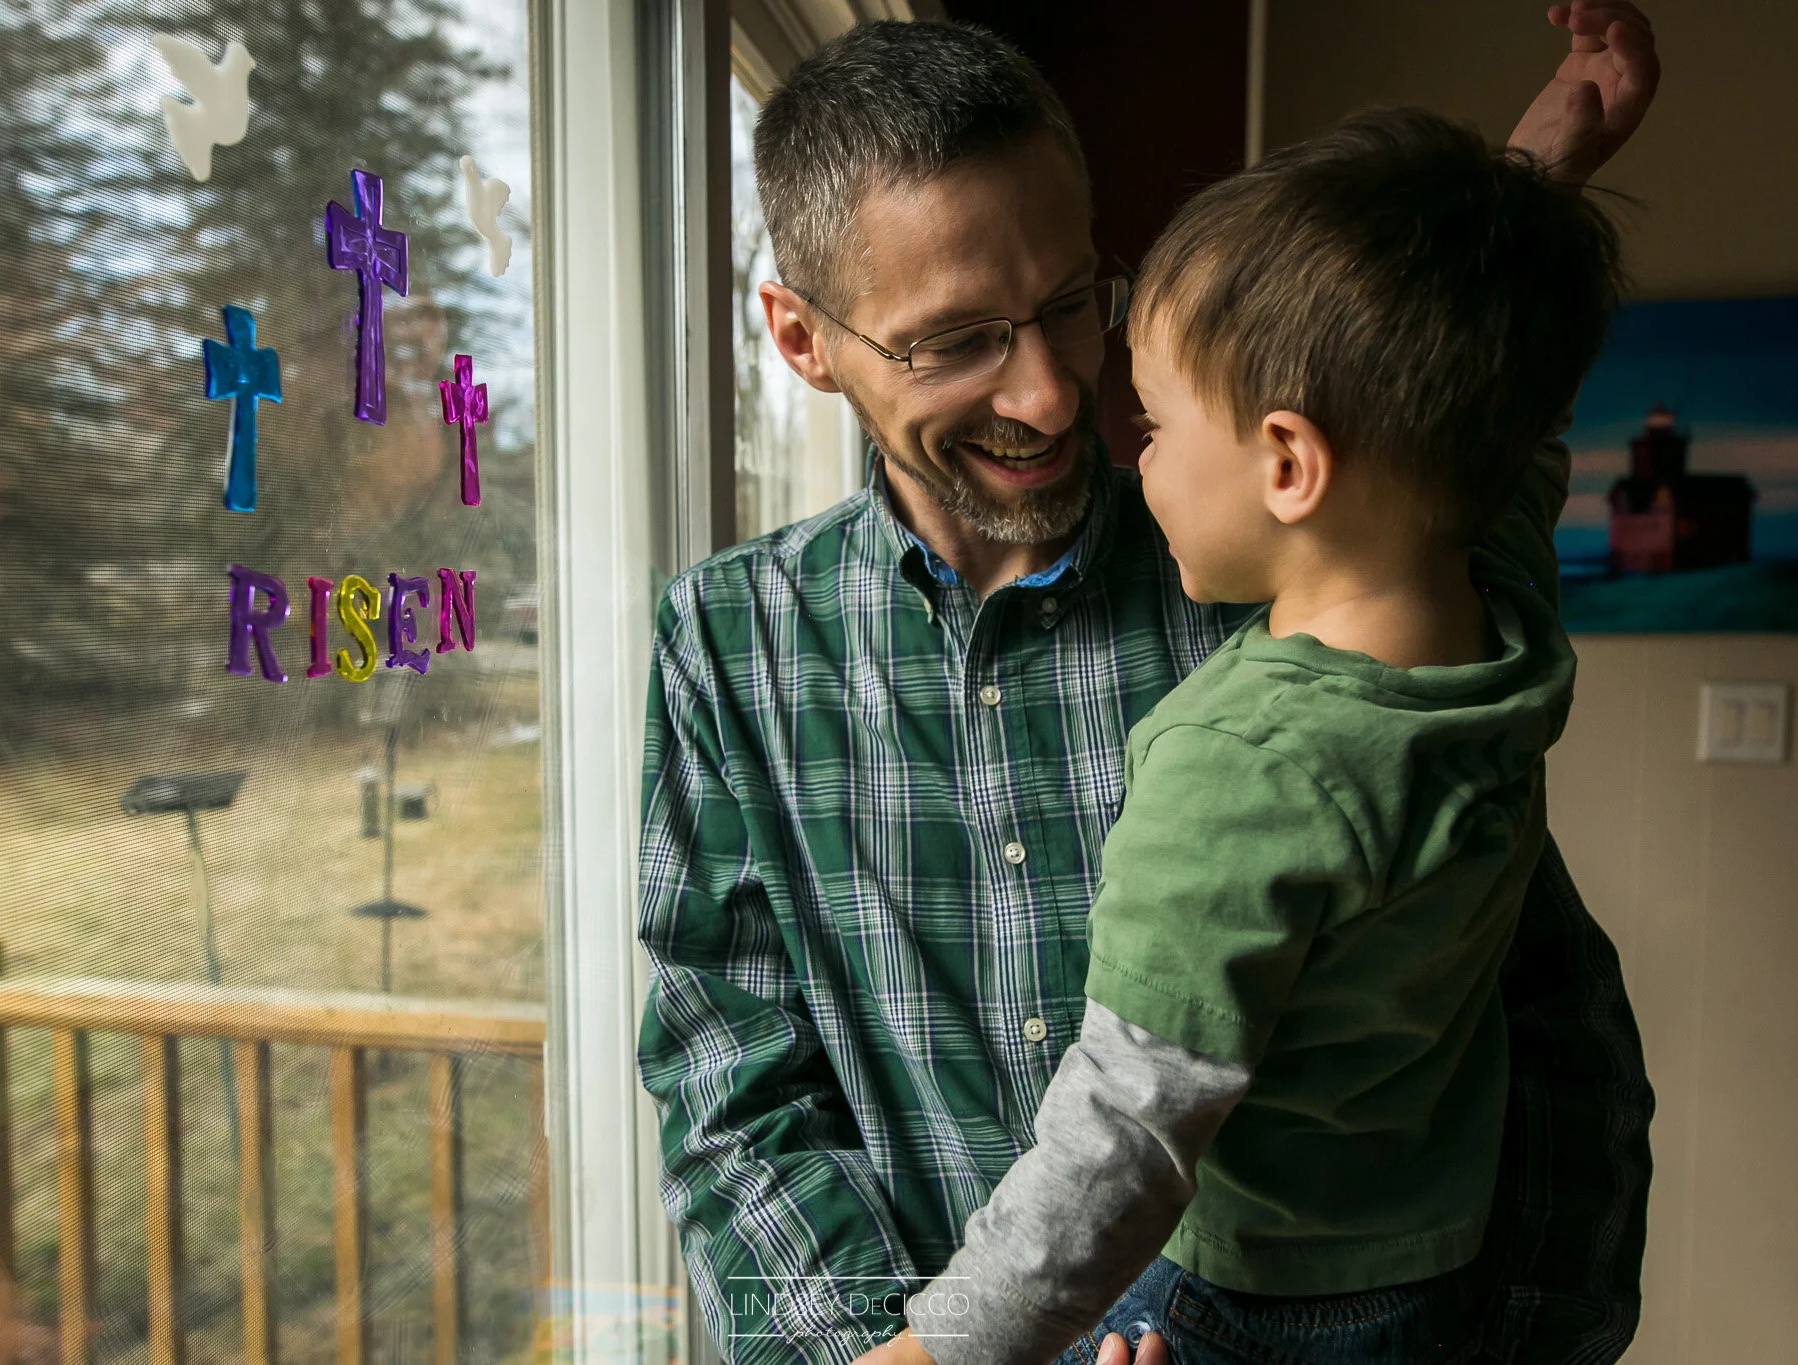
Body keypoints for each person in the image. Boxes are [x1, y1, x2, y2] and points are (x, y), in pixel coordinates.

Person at [637, 7, 1660, 1363]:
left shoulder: (1307, 603)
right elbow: (730, 1081)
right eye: (959, 339)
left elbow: (1545, 1019)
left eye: (1075, 300)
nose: (1061, 393)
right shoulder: (722, 643)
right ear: (801, 335)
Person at [867, 102, 1622, 1365]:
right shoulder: (1492, 602)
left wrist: (932, 1353)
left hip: (1245, 1301)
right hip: (1427, 1267)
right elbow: (1497, 422)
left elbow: (1125, 1130)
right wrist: (1535, 179)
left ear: (1286, 464)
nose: (1127, 454)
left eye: (1155, 425)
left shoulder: (1245, 768)